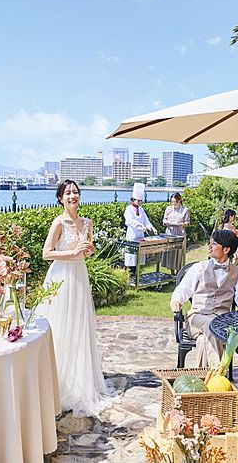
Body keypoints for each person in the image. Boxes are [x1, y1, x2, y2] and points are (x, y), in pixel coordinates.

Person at [34, 179, 113, 417]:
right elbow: (46, 253)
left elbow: (88, 250)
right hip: (61, 277)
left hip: (79, 276)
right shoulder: (58, 222)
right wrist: (72, 252)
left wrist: (88, 250)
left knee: (79, 327)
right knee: (60, 326)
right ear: (60, 198)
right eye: (67, 193)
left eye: (75, 192)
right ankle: (57, 382)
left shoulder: (87, 222)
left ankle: (80, 381)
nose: (72, 196)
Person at [170, 230, 238, 367]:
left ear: (226, 249)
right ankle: (218, 372)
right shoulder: (198, 268)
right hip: (196, 318)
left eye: (214, 244)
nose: (209, 246)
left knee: (203, 340)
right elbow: (183, 289)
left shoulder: (237, 273)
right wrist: (176, 301)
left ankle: (204, 378)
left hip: (222, 321)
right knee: (212, 326)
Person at [124, 182, 157, 269]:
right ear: (133, 200)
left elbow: (146, 220)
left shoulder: (141, 209)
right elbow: (130, 220)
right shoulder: (128, 209)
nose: (139, 202)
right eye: (138, 201)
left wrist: (151, 227)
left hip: (140, 236)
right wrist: (139, 225)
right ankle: (130, 273)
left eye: (140, 201)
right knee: (131, 257)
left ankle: (137, 273)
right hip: (132, 235)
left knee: (139, 257)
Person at [161, 193, 190, 273]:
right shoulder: (168, 209)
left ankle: (178, 271)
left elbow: (187, 223)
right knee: (170, 252)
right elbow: (164, 220)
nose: (173, 204)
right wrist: (166, 222)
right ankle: (172, 271)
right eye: (172, 202)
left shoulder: (185, 210)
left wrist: (182, 224)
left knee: (179, 252)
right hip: (170, 232)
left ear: (180, 200)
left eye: (175, 202)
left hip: (180, 232)